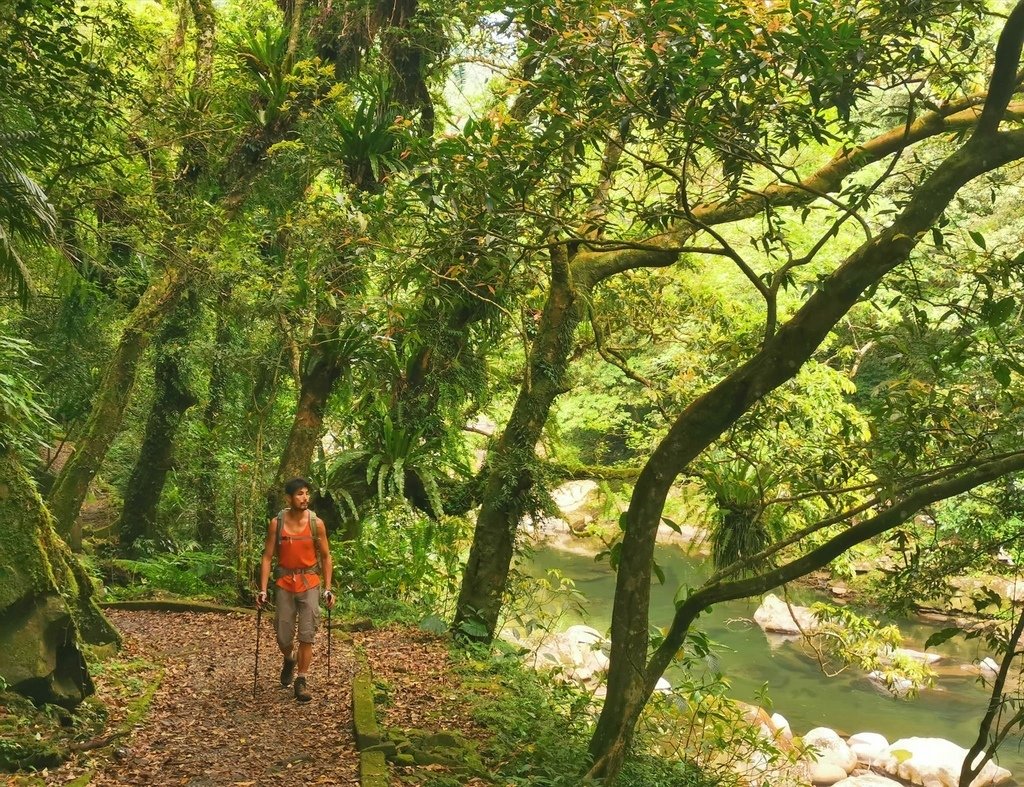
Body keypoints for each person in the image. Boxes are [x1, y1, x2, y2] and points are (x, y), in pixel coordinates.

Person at [256, 477, 334, 702]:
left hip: (309, 582)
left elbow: (326, 557)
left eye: (307, 493)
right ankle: (289, 658)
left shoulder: (316, 523)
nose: (305, 498)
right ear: (288, 498)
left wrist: (328, 588)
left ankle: (301, 679)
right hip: (284, 584)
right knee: (283, 636)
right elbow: (267, 557)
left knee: (307, 634)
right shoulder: (277, 523)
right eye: (300, 494)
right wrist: (262, 590)